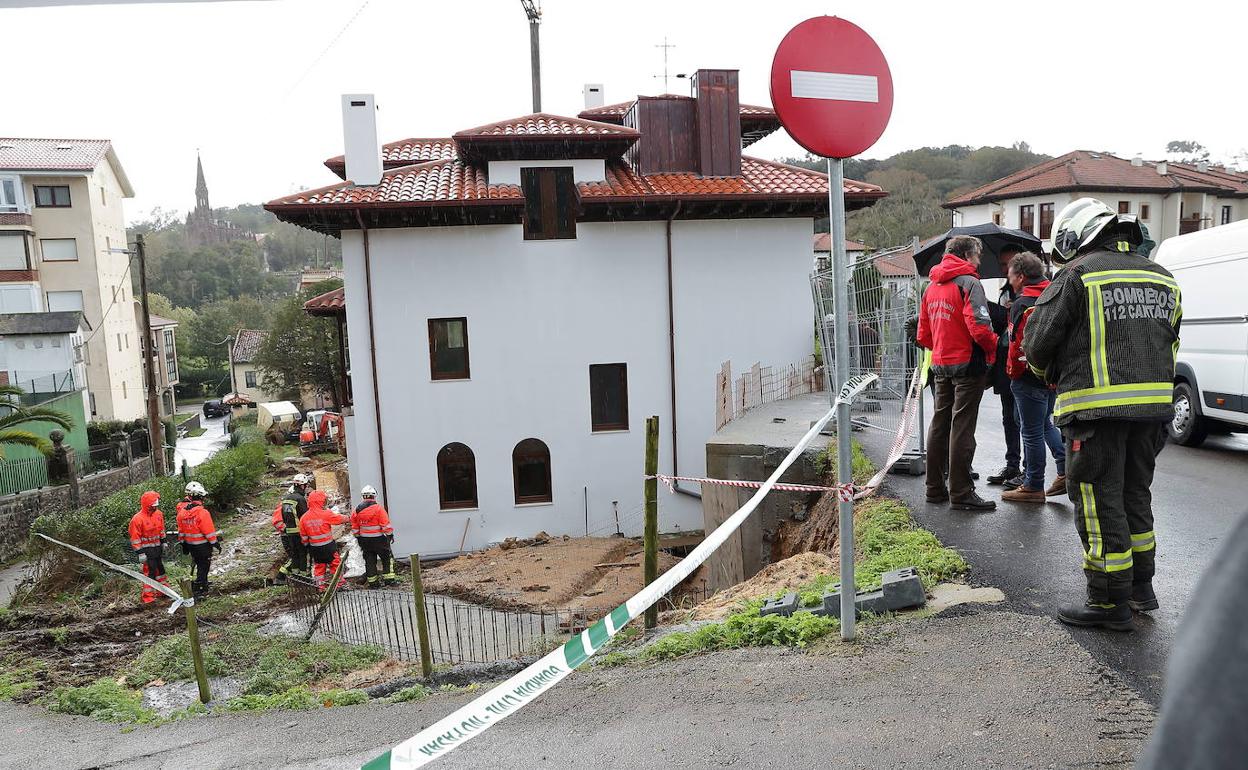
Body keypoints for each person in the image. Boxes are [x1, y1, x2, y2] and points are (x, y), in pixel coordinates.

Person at [1025, 197, 1180, 631]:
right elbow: (1171, 341)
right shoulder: (1164, 278)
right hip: (1153, 413)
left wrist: (1047, 373)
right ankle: (1140, 589)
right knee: (1135, 494)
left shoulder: (1077, 275)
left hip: (1094, 413)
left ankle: (1107, 602)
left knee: (1096, 501)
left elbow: (1037, 346)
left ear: (1074, 238)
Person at [917, 234, 999, 511]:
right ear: (966, 256)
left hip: (940, 363)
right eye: (977, 256)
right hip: (968, 364)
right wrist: (994, 347)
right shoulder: (969, 283)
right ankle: (962, 492)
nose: (979, 262)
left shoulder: (931, 288)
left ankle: (934, 488)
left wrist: (942, 347)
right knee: (962, 426)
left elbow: (923, 334)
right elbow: (979, 327)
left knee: (939, 424)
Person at [1000, 251, 1066, 503]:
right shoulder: (1055, 295)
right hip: (1051, 376)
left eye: (1010, 274)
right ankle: (1063, 467)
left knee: (1030, 431)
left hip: (1028, 376)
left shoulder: (1022, 303)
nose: (1009, 279)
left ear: (1021, 276)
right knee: (1043, 424)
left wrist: (1012, 375)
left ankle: (1033, 485)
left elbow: (1017, 346)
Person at [986, 245, 1024, 487]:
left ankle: (1029, 471)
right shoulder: (1005, 292)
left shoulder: (1033, 292)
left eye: (1006, 264)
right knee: (1008, 417)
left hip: (1023, 364)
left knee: (1026, 420)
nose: (1003, 269)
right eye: (1001, 264)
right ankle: (1012, 466)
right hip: (1004, 363)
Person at [176, 481, 221, 600]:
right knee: (204, 565)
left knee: (198, 564)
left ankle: (202, 583)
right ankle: (200, 586)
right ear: (201, 498)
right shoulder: (202, 512)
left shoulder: (182, 512)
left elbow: (181, 530)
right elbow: (208, 531)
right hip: (203, 546)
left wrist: (183, 543)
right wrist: (215, 543)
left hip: (191, 546)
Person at [299, 489, 348, 591]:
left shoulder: (304, 518)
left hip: (315, 548)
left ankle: (320, 587)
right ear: (321, 501)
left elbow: (303, 536)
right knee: (335, 564)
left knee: (319, 567)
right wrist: (348, 518)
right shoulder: (326, 514)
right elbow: (338, 519)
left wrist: (306, 544)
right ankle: (340, 583)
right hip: (328, 546)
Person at [351, 485, 397, 588]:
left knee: (369, 561)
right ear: (374, 496)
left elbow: (354, 527)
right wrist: (390, 535)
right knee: (386, 558)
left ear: (363, 496)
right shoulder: (379, 509)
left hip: (364, 540)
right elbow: (386, 525)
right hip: (379, 539)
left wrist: (358, 537)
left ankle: (373, 583)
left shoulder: (356, 510)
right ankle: (389, 581)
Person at [128, 490, 169, 604]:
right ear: (147, 505)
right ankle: (148, 596)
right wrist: (140, 553)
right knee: (150, 572)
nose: (155, 508)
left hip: (157, 548)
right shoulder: (137, 519)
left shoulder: (158, 514)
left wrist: (163, 541)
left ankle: (163, 591)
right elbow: (135, 537)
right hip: (147, 551)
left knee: (160, 569)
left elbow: (161, 529)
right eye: (153, 506)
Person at [271, 473, 311, 582]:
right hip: (299, 532)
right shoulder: (300, 499)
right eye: (306, 486)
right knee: (302, 555)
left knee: (294, 556)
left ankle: (295, 578)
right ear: (302, 486)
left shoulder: (286, 499)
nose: (306, 488)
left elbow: (284, 517)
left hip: (289, 532)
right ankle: (304, 579)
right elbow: (305, 517)